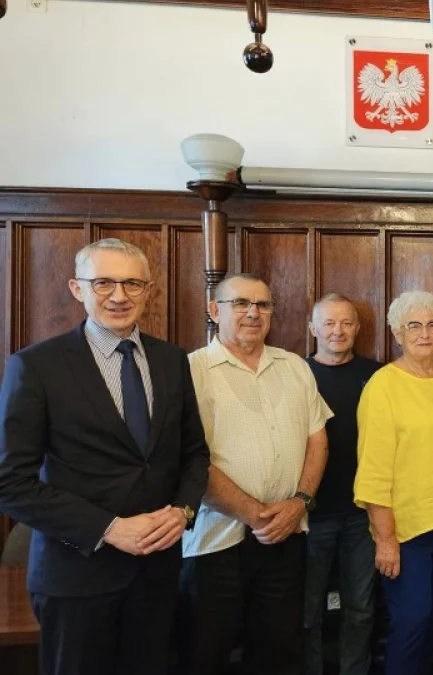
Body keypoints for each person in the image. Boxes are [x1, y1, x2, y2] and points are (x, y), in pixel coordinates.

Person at [0, 238, 209, 675]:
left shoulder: (172, 361)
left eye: (132, 283)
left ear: (149, 291)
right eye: (103, 283)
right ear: (77, 288)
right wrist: (108, 528)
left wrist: (183, 510)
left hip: (156, 575)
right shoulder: (36, 367)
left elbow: (194, 453)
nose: (119, 295)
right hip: (76, 577)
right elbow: (11, 484)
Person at [179, 272, 333, 675]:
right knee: (205, 654)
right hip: (214, 541)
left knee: (279, 654)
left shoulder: (294, 366)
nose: (253, 312)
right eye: (240, 303)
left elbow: (317, 441)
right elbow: (189, 458)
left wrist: (299, 503)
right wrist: (256, 514)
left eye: (263, 304)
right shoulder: (190, 370)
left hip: (286, 536)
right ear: (214, 311)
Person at [355, 290, 433, 675]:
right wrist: (385, 538)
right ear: (397, 333)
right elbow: (373, 468)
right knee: (412, 619)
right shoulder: (383, 385)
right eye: (414, 325)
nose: (425, 333)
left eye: (432, 324)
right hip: (405, 527)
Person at [303, 293, 384, 675]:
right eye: (329, 323)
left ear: (358, 328)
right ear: (313, 328)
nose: (338, 331)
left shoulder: (379, 377)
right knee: (307, 612)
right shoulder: (296, 374)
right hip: (309, 515)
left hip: (363, 514)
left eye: (346, 323)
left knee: (361, 610)